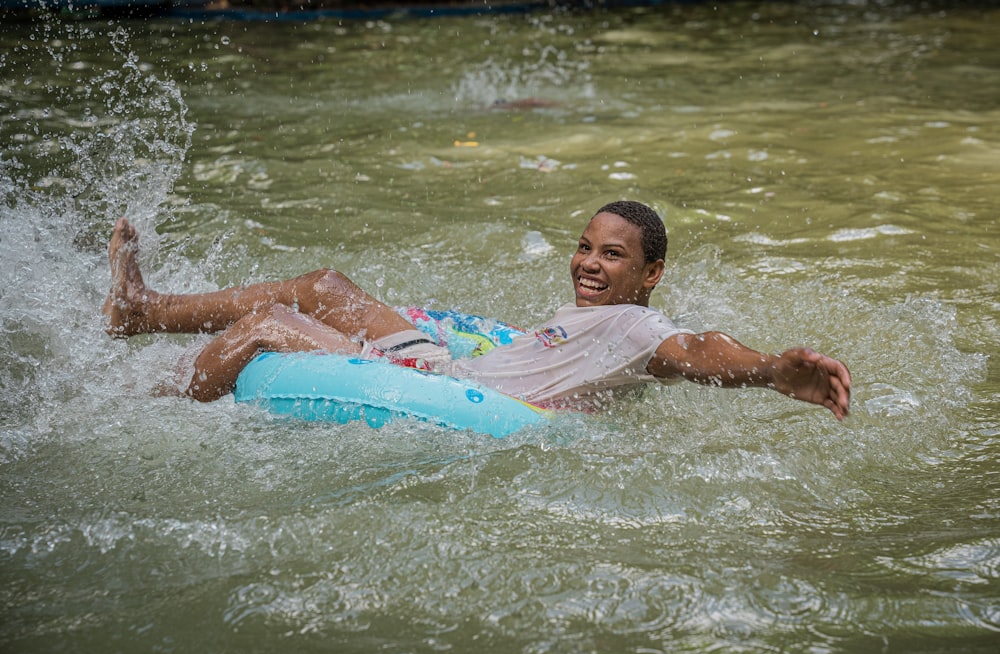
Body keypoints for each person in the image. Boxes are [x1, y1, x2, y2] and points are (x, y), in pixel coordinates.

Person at [103, 201, 851, 420]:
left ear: (651, 273)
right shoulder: (601, 313)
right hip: (449, 362)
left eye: (612, 255)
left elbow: (696, 349)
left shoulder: (638, 327)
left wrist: (768, 370)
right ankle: (142, 309)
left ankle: (147, 407)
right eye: (585, 246)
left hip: (455, 392)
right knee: (325, 283)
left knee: (269, 329)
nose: (589, 262)